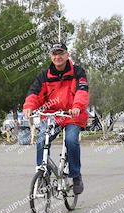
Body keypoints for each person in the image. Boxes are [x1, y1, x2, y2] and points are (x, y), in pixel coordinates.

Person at [22, 43, 89, 195]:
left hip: (72, 116)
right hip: (53, 116)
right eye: (54, 54)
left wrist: (77, 106)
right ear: (51, 56)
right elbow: (34, 94)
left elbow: (82, 91)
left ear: (67, 55)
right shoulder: (44, 75)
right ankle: (43, 175)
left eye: (61, 53)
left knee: (71, 141)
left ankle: (76, 175)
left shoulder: (78, 72)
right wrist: (29, 107)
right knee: (41, 141)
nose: (57, 57)